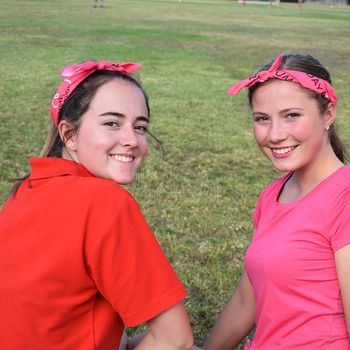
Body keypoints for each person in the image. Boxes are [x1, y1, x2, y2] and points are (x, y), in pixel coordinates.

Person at [0, 59, 197, 350]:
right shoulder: (105, 203)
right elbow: (175, 339)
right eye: (111, 123)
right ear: (69, 135)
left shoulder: (25, 190)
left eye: (140, 127)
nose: (131, 140)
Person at [204, 53, 350, 349]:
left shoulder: (344, 197)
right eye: (262, 119)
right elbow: (247, 300)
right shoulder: (273, 194)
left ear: (328, 113)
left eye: (291, 116)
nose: (274, 135)